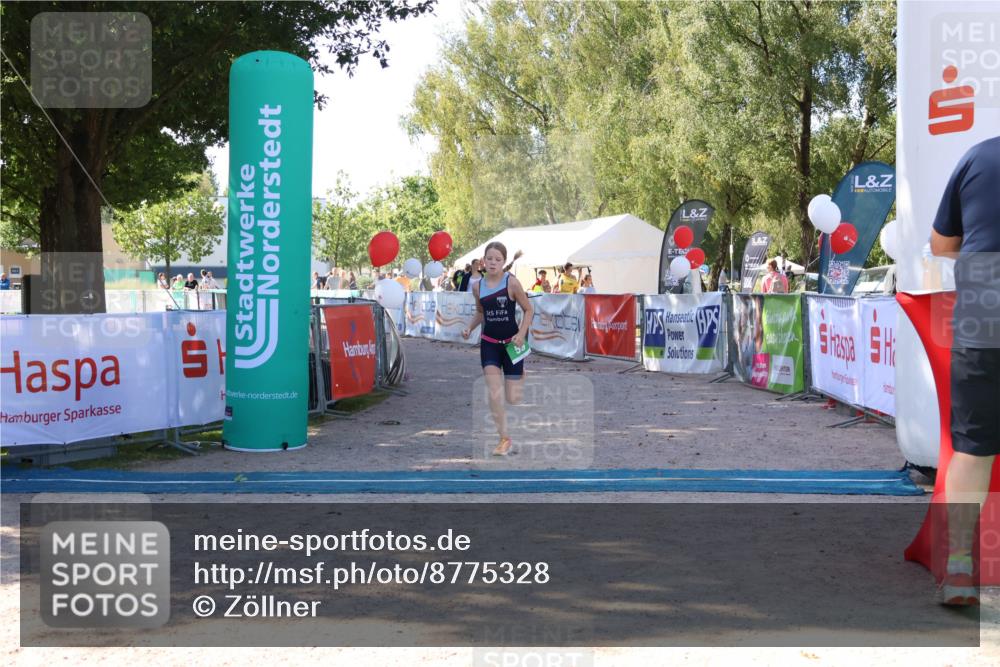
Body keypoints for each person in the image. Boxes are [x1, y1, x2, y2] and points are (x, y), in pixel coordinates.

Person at [929, 135, 1000, 607]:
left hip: (982, 314)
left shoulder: (978, 156)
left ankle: (958, 569)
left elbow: (941, 243)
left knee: (973, 450)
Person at [462, 241, 534, 457]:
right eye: (490, 259)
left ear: (504, 262)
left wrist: (521, 335)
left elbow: (529, 310)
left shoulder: (511, 283)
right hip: (489, 344)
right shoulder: (478, 286)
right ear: (483, 261)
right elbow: (480, 312)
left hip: (512, 345)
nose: (493, 263)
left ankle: (520, 374)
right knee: (494, 393)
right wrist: (469, 327)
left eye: (498, 259)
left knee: (513, 398)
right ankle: (504, 438)